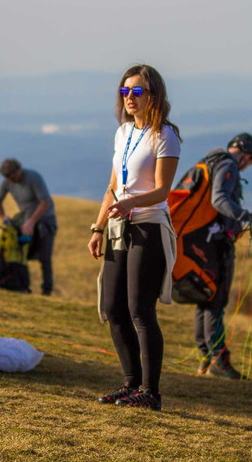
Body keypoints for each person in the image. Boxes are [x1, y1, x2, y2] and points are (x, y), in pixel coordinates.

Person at [87, 64, 181, 411]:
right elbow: (112, 186)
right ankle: (130, 384)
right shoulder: (123, 132)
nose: (129, 97)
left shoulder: (165, 135)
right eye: (125, 91)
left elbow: (162, 191)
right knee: (113, 307)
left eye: (137, 91)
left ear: (153, 95)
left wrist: (131, 203)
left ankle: (150, 392)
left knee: (140, 310)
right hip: (118, 227)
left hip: (148, 226)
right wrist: (98, 228)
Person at [193, 132, 252, 380]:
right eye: (250, 161)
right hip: (217, 245)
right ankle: (218, 361)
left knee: (206, 299)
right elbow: (220, 199)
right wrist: (246, 216)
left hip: (202, 241)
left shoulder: (210, 162)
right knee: (215, 301)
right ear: (246, 155)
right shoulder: (229, 166)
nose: (247, 166)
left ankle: (205, 358)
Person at [0, 159, 58, 295]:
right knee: (19, 251)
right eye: (8, 177)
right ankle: (20, 284)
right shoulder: (8, 182)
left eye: (12, 176)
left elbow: (45, 202)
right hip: (24, 219)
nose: (11, 180)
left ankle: (47, 290)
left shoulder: (33, 177)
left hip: (45, 219)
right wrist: (3, 217)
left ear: (19, 170)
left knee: (44, 256)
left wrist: (31, 222)